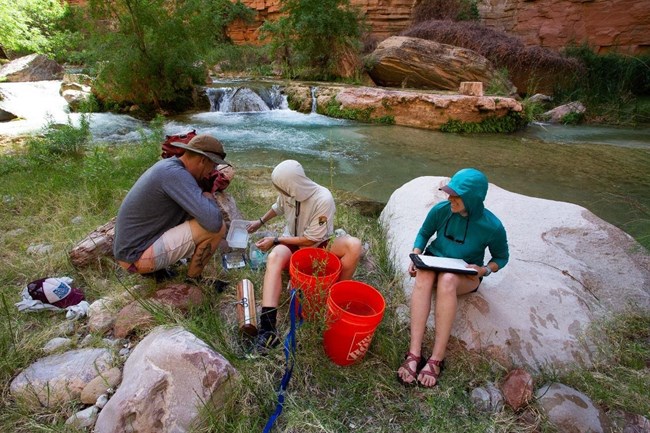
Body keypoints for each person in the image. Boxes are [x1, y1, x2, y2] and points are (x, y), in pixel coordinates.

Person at [397, 168, 509, 387]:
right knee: (424, 274)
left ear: (472, 199)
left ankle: (436, 359)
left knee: (447, 280)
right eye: (450, 193)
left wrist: (484, 270)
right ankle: (414, 354)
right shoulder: (441, 210)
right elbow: (423, 233)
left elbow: (502, 258)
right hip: (434, 261)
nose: (450, 198)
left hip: (464, 274)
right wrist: (416, 254)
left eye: (456, 196)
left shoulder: (492, 226)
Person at [247, 159, 362, 352]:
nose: (279, 191)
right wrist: (260, 221)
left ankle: (333, 300)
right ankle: (268, 329)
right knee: (274, 258)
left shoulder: (323, 199)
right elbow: (278, 207)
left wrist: (275, 240)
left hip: (320, 245)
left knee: (354, 245)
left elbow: (309, 240)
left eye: (280, 187)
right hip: (292, 241)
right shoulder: (289, 192)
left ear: (292, 184)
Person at [113, 134, 228, 282]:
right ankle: (194, 281)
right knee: (217, 229)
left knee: (198, 215)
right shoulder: (176, 175)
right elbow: (213, 222)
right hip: (136, 257)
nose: (212, 172)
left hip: (132, 250)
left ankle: (159, 271)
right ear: (202, 160)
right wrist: (208, 197)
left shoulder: (169, 167)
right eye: (213, 166)